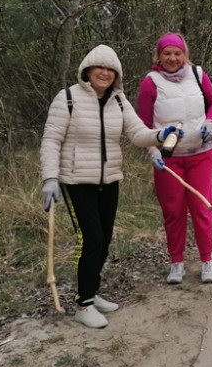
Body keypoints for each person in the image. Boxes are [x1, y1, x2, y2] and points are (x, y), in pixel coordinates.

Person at [40, 44, 177, 329]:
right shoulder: (67, 98)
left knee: (103, 239)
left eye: (110, 69)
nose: (104, 73)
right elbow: (51, 140)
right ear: (87, 70)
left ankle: (91, 290)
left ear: (117, 75)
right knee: (90, 239)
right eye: (99, 67)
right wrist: (50, 178)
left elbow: (138, 133)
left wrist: (160, 135)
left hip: (110, 178)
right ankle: (83, 304)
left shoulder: (118, 101)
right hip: (76, 180)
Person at [137, 33, 212, 285]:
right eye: (167, 53)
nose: (172, 58)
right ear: (158, 56)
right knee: (173, 211)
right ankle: (177, 263)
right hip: (168, 159)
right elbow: (142, 124)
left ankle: (207, 261)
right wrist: (153, 151)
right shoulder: (150, 82)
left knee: (202, 206)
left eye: (177, 53)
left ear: (185, 54)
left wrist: (210, 122)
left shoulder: (198, 74)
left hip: (201, 154)